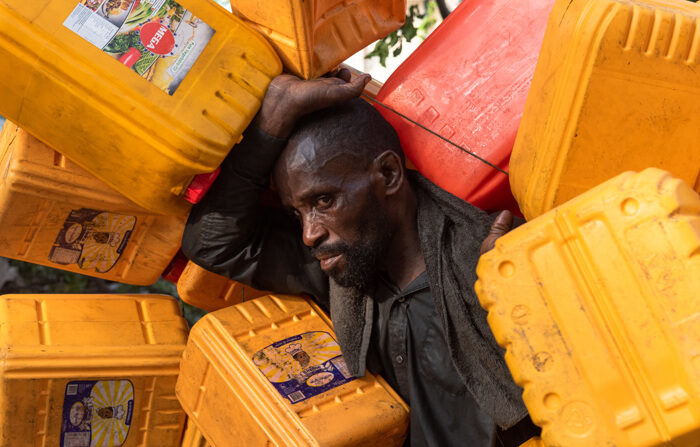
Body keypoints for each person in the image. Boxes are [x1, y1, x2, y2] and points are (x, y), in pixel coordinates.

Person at [182, 70, 540, 446]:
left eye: (324, 201)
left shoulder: (494, 258)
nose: (309, 233)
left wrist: (509, 302)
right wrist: (271, 121)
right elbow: (211, 243)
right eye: (297, 213)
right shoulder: (338, 274)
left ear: (387, 174)